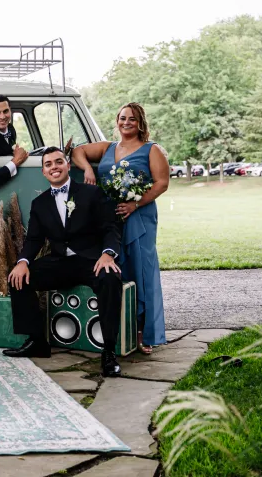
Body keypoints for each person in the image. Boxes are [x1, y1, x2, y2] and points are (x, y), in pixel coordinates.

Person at [3, 147, 124, 377]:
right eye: (48, 164)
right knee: (18, 278)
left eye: (58, 162)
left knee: (110, 279)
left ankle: (109, 352)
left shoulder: (91, 194)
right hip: (60, 262)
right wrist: (23, 261)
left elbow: (110, 227)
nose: (54, 167)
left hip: (92, 260)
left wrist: (108, 253)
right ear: (44, 172)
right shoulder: (40, 203)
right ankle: (37, 341)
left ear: (68, 165)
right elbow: (34, 238)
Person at [71, 102, 170, 354]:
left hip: (139, 218)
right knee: (119, 270)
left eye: (132, 119)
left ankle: (143, 333)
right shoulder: (107, 147)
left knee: (142, 272)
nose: (126, 122)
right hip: (109, 219)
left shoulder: (151, 149)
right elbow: (77, 151)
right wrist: (87, 170)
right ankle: (119, 332)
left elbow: (162, 183)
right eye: (123, 118)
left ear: (140, 123)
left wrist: (136, 204)